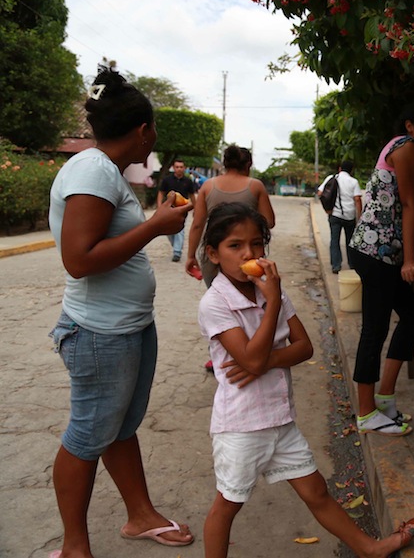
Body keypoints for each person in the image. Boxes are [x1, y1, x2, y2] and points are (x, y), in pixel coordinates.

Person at [197, 202, 414, 558]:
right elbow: (250, 358)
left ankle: (371, 549)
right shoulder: (215, 303)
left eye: (257, 244)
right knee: (227, 506)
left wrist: (265, 357)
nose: (249, 254)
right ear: (213, 253)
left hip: (280, 420)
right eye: (235, 246)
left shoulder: (272, 291)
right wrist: (271, 308)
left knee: (316, 491)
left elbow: (303, 348)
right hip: (241, 425)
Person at [47, 67, 195, 558]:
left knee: (119, 426)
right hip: (99, 332)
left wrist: (157, 221)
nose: (154, 140)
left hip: (126, 326)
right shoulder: (91, 170)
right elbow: (80, 260)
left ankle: (140, 515)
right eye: (153, 132)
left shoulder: (105, 171)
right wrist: (155, 227)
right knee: (87, 434)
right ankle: (73, 547)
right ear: (142, 130)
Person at [348, 98, 414, 436]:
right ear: (410, 126)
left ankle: (385, 399)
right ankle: (365, 412)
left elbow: (412, 206)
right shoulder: (404, 149)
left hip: (386, 251)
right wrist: (408, 259)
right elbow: (407, 204)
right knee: (374, 329)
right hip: (376, 251)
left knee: (411, 315)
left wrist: (409, 253)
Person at [186, 144, 275, 287]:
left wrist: (191, 256)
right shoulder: (255, 186)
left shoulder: (208, 186)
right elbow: (269, 222)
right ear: (248, 165)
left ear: (225, 163)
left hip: (215, 252)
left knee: (218, 297)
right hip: (246, 256)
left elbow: (197, 225)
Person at [317, 160, 363, 273]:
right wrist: (360, 217)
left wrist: (327, 208)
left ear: (339, 168)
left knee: (334, 240)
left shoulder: (331, 178)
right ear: (352, 170)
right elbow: (357, 199)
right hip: (349, 216)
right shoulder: (354, 182)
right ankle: (352, 264)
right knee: (350, 241)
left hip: (335, 215)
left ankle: (336, 266)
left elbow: (319, 193)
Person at [157, 158, 196, 261]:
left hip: (183, 209)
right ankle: (176, 246)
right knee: (168, 231)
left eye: (181, 167)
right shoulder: (167, 180)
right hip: (168, 209)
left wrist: (196, 208)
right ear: (173, 168)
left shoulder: (188, 181)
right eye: (177, 167)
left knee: (180, 230)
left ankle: (177, 252)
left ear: (184, 168)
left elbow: (192, 196)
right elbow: (161, 193)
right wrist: (159, 206)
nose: (179, 169)